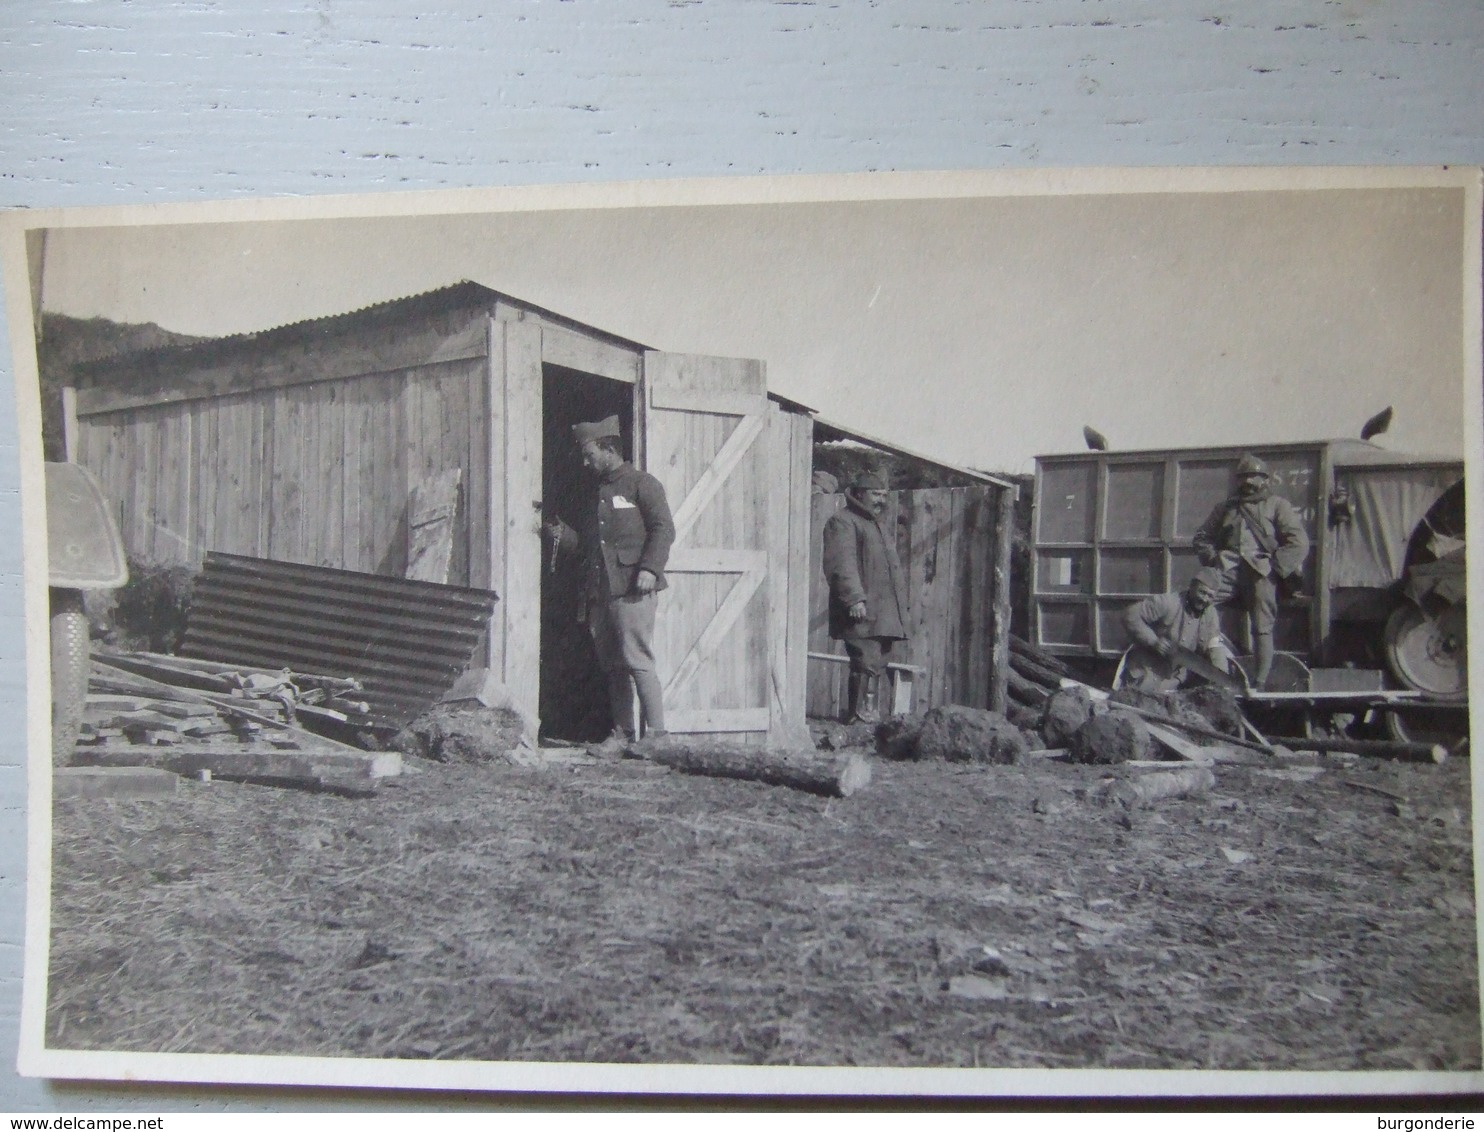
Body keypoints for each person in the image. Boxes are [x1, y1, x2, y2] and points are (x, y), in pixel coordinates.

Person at [544, 415, 674, 754]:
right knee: (613, 664)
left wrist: (649, 568)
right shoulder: (596, 494)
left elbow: (664, 529)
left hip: (633, 589)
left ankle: (658, 737)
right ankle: (622, 735)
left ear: (609, 448)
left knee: (637, 659)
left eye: (589, 454)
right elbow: (590, 545)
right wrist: (565, 536)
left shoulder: (642, 484)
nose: (585, 462)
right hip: (600, 590)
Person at [1192, 453, 1310, 689]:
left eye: (1254, 477)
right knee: (1196, 606)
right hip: (1227, 570)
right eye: (1243, 477)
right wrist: (1215, 560)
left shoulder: (1278, 505)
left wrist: (1275, 568)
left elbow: (1298, 542)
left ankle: (1260, 681)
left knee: (1262, 627)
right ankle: (1210, 667)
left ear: (1265, 480)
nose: (1248, 482)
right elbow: (1202, 537)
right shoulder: (1226, 508)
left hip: (1261, 572)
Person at [821, 470, 908, 723]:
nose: (881, 500)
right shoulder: (843, 521)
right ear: (859, 494)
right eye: (875, 494)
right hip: (860, 610)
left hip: (882, 613)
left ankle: (870, 718)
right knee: (865, 662)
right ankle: (857, 718)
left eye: (884, 495)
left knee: (878, 663)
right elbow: (841, 564)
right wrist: (854, 598)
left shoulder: (876, 525)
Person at [1121, 567, 1233, 694]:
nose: (1204, 599)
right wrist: (1153, 641)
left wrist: (1224, 683)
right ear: (1191, 586)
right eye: (1202, 592)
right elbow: (1130, 615)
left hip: (1174, 680)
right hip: (1146, 671)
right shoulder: (1168, 602)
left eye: (1210, 596)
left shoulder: (1210, 614)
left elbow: (1215, 647)